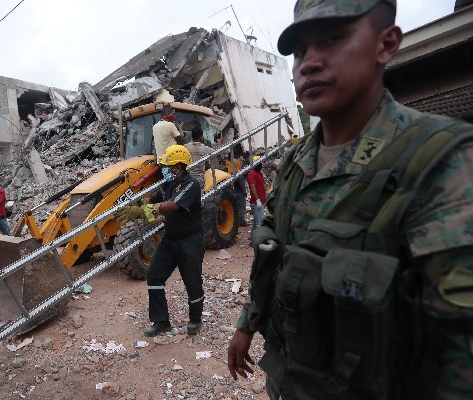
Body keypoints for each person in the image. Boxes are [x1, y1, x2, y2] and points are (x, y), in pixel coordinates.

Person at [227, 1, 473, 399]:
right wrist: (246, 325)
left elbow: (460, 353)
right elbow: (271, 253)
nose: (309, 63)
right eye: (300, 51)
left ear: (386, 44)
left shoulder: (440, 162)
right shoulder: (295, 160)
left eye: (333, 39)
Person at [116, 145, 205, 337]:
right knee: (154, 275)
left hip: (190, 241)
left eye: (167, 166)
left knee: (192, 282)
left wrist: (142, 211)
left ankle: (195, 320)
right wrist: (138, 205)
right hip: (170, 239)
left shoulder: (191, 185)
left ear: (179, 167)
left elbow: (172, 205)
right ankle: (161, 321)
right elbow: (153, 202)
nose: (164, 169)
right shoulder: (167, 185)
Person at [246, 156, 266, 233]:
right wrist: (258, 200)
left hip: (260, 201)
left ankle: (252, 238)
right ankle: (258, 242)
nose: (260, 165)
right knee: (259, 223)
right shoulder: (252, 174)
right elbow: (252, 187)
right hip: (256, 202)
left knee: (256, 221)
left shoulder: (258, 173)